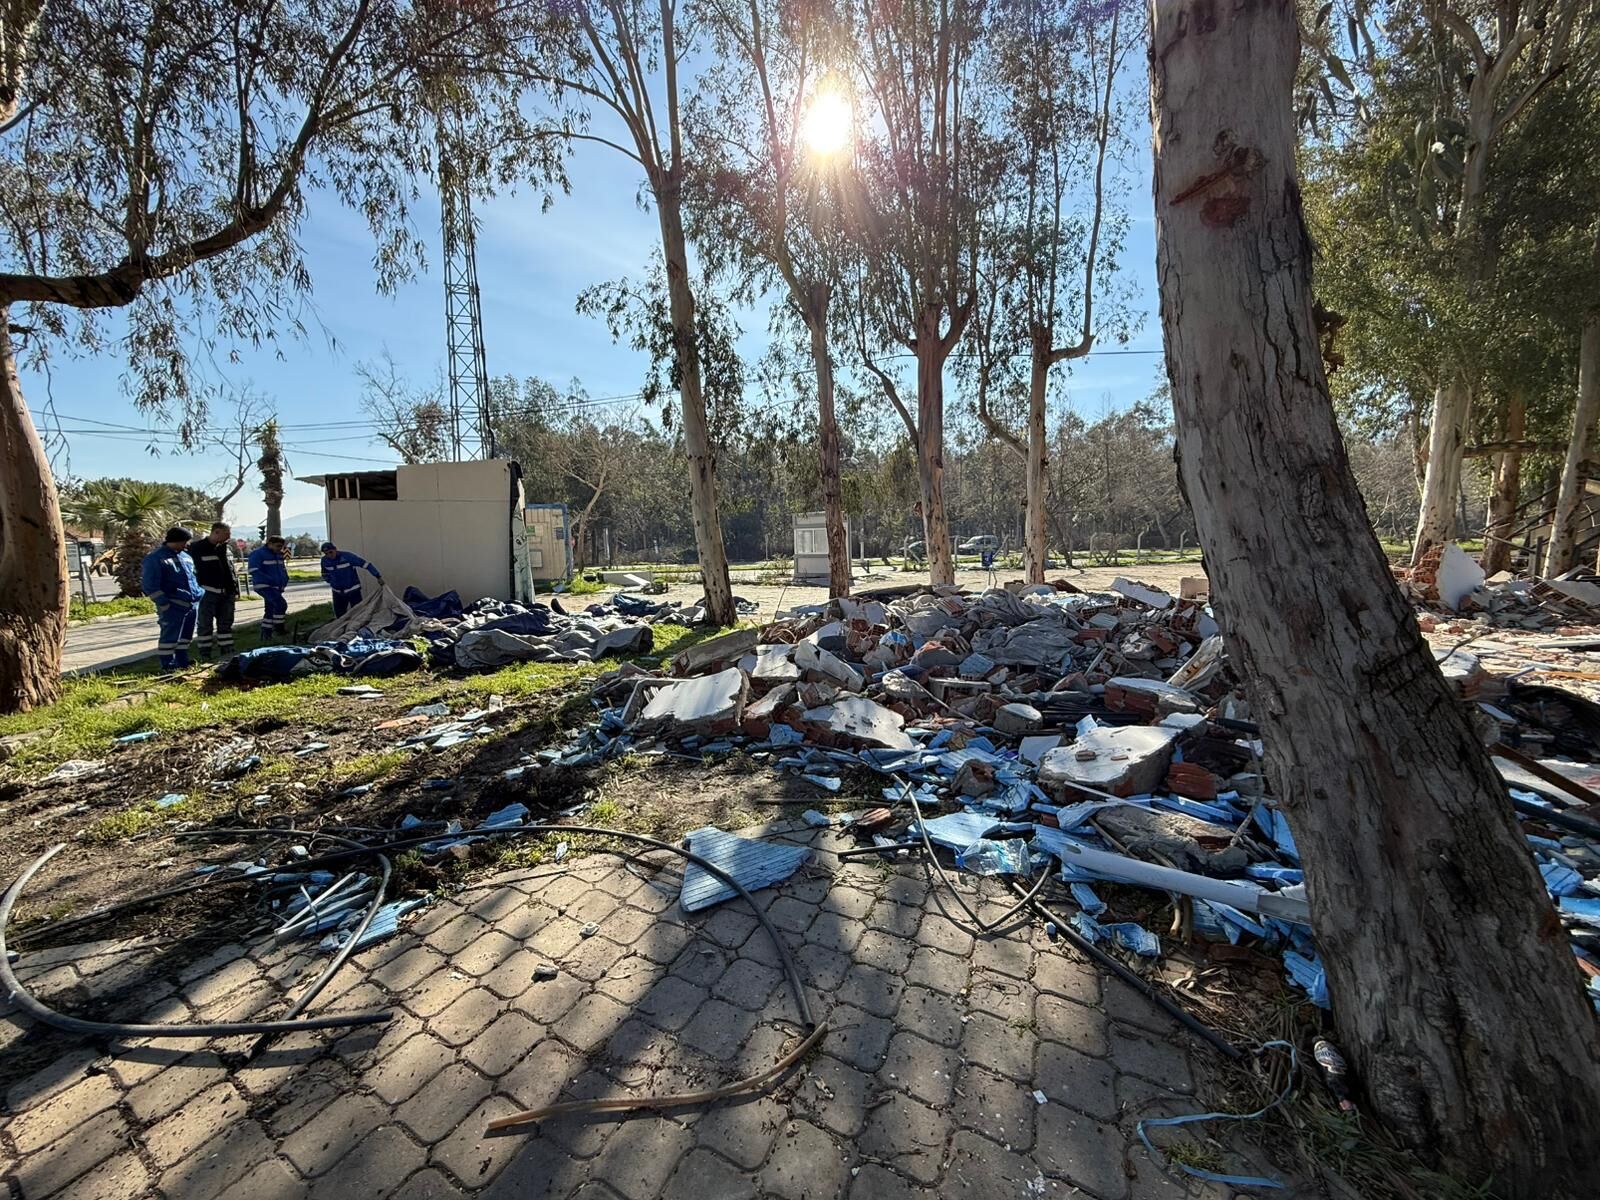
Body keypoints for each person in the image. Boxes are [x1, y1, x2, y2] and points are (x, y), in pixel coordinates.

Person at [141, 527, 202, 669]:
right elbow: (150, 585)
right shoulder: (155, 558)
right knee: (170, 638)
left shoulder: (186, 557)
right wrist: (163, 603)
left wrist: (199, 593)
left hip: (192, 604)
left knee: (185, 637)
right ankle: (168, 665)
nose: (186, 545)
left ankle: (182, 662)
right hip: (173, 606)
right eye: (184, 542)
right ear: (175, 540)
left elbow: (193, 577)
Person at [187, 522, 240, 660]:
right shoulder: (197, 549)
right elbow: (191, 572)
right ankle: (205, 654)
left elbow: (231, 571)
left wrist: (234, 590)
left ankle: (227, 651)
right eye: (226, 534)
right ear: (216, 532)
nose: (228, 538)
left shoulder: (226, 549)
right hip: (207, 593)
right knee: (205, 624)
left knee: (226, 624)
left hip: (227, 593)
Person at [320, 542, 381, 617]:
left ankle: (358, 628)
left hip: (353, 591)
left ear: (335, 549)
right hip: (337, 593)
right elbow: (324, 573)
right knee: (340, 616)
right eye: (326, 554)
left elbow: (366, 564)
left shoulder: (347, 556)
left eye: (330, 552)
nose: (329, 555)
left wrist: (378, 576)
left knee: (358, 614)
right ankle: (344, 628)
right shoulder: (324, 561)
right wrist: (331, 582)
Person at [247, 536, 290, 639]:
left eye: (281, 546)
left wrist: (285, 579)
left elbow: (281, 569)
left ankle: (266, 634)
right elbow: (254, 570)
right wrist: (270, 580)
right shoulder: (258, 554)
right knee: (280, 604)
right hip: (265, 586)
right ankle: (278, 629)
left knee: (270, 609)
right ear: (270, 544)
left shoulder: (278, 555)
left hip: (276, 586)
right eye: (278, 546)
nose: (280, 548)